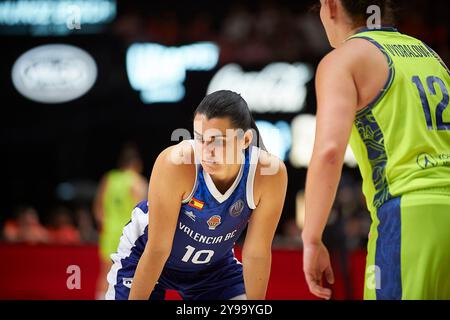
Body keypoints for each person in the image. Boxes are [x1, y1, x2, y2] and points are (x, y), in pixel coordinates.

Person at [302, 0, 450, 300]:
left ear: (331, 5)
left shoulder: (343, 60)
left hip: (409, 215)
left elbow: (330, 152)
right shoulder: (429, 55)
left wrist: (311, 238)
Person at [106, 90, 287, 300]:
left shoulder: (269, 173)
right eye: (200, 139)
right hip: (145, 255)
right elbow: (157, 250)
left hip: (213, 268)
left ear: (245, 140)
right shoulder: (176, 163)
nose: (207, 151)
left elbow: (257, 253)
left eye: (217, 141)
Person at [94, 143, 148, 299]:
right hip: (129, 235)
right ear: (137, 164)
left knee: (105, 273)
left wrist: (106, 224)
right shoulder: (138, 181)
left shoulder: (109, 179)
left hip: (109, 231)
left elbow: (98, 208)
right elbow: (144, 213)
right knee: (131, 276)